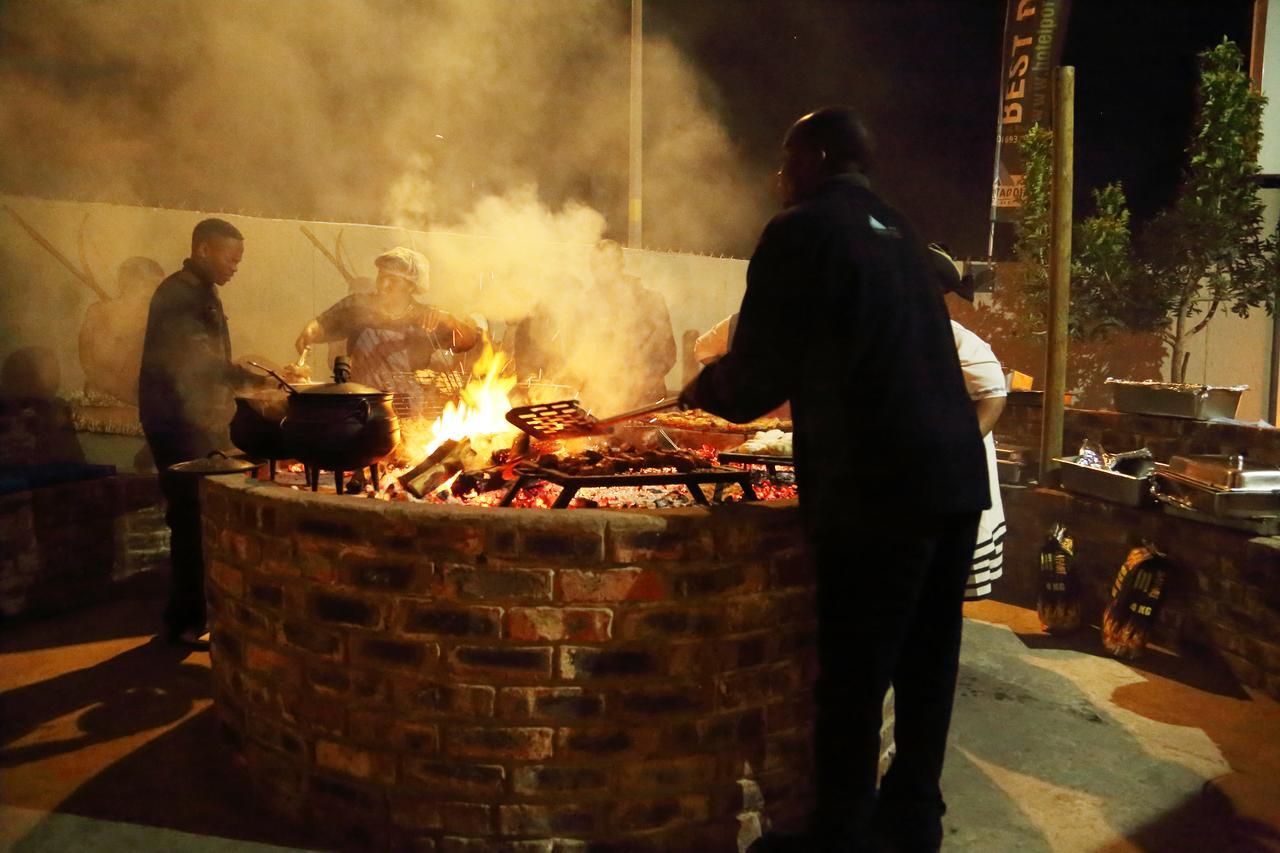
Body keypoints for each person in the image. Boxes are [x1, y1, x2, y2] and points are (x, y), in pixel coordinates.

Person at [680, 107, 989, 852]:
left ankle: (838, 836)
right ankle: (914, 819)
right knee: (926, 661)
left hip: (879, 483)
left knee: (854, 672)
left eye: (786, 159)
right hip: (952, 472)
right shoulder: (898, 228)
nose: (779, 176)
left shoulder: (801, 230)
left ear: (816, 156)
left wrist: (704, 390)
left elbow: (757, 372)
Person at [139, 218, 263, 645]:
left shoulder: (200, 291)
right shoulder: (177, 294)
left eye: (240, 260)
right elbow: (191, 359)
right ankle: (187, 620)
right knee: (190, 517)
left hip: (195, 418)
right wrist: (243, 376)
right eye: (231, 257)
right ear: (204, 250)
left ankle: (189, 615)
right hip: (176, 421)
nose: (235, 266)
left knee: (195, 516)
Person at [290, 247, 479, 418]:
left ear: (411, 286)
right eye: (381, 277)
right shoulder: (358, 306)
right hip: (361, 405)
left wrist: (448, 319)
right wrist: (310, 331)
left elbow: (468, 340)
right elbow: (324, 324)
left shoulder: (426, 317)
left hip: (407, 410)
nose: (383, 285)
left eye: (393, 280)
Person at [927, 244, 1007, 600]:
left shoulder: (959, 341)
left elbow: (993, 397)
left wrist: (956, 448)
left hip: (952, 466)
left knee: (943, 585)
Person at [514, 239, 676, 410]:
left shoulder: (650, 302)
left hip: (644, 403)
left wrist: (635, 380)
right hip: (598, 404)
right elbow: (574, 355)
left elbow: (667, 353)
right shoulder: (583, 307)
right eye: (597, 265)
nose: (602, 270)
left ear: (620, 264)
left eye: (608, 262)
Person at [78, 256, 165, 405]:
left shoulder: (156, 321)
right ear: (131, 283)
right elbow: (87, 360)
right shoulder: (97, 312)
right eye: (152, 284)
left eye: (159, 285)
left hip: (137, 403)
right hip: (99, 400)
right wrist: (113, 386)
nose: (158, 291)